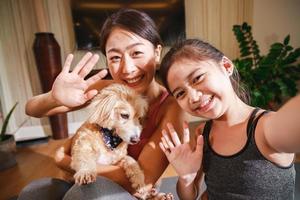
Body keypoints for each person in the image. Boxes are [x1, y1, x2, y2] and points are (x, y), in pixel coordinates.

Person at [23, 8, 185, 199]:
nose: (127, 68)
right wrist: (53, 98)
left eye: (136, 53)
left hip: (131, 191)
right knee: (34, 192)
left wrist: (63, 160)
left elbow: (144, 179)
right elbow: (31, 109)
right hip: (84, 173)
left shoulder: (172, 108)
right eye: (115, 57)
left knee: (82, 194)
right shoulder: (109, 90)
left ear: (157, 53)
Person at [158, 39, 299, 200]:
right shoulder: (202, 134)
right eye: (180, 93)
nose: (193, 97)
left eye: (197, 78)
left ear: (226, 66)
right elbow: (189, 196)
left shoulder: (265, 128)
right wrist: (186, 177)